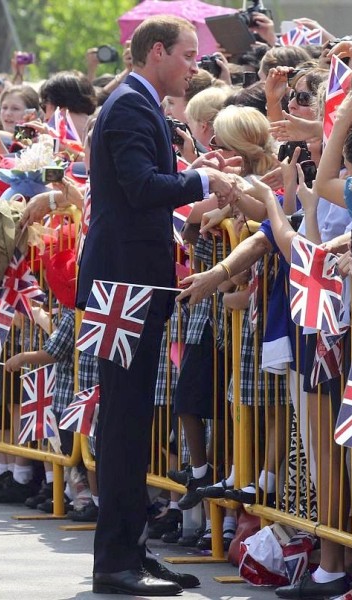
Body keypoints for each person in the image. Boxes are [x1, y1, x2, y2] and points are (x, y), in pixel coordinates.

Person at [76, 14, 238, 596]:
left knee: (133, 421)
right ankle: (114, 562)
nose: (195, 67)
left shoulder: (137, 105)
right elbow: (143, 186)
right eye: (189, 55)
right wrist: (201, 181)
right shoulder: (128, 107)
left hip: (134, 286)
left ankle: (131, 550)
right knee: (122, 424)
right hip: (123, 289)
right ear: (158, 52)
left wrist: (197, 177)